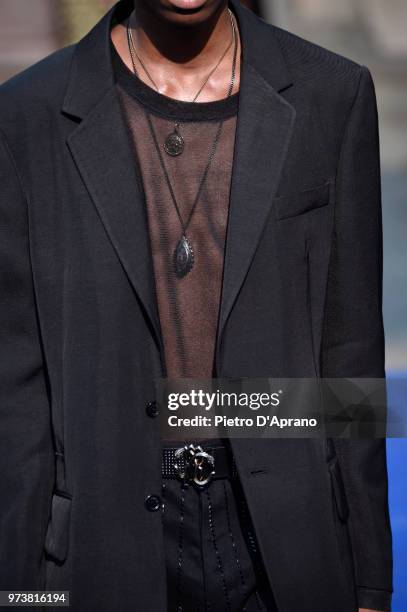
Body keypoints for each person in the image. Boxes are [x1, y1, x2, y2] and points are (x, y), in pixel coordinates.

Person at [0, 0, 393, 610]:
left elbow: (350, 353)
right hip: (103, 541)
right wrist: (20, 596)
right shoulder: (26, 116)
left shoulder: (331, 94)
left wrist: (370, 579)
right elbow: (17, 389)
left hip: (290, 535)